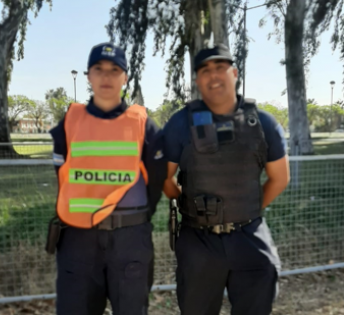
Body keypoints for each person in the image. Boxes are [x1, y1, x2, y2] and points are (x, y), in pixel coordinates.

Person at [163, 47, 291, 315]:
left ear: (234, 73)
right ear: (197, 80)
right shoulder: (179, 123)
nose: (213, 76)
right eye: (205, 70)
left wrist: (247, 211)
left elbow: (279, 179)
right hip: (198, 240)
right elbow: (165, 179)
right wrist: (187, 205)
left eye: (220, 68)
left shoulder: (263, 123)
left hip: (250, 237)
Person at [48, 43, 165, 315]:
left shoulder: (143, 124)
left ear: (125, 77)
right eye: (99, 70)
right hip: (78, 240)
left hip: (130, 239)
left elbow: (156, 182)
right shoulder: (69, 122)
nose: (106, 77)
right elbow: (62, 176)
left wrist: (133, 218)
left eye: (115, 70)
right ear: (88, 76)